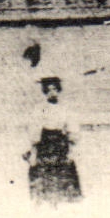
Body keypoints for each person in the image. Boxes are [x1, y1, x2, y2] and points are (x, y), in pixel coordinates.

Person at [25, 76, 82, 205]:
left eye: (55, 89)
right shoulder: (39, 109)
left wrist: (71, 148)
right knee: (43, 177)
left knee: (65, 176)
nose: (52, 93)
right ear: (45, 92)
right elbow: (34, 131)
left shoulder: (65, 108)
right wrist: (33, 151)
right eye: (49, 90)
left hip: (61, 145)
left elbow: (72, 128)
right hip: (44, 146)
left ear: (59, 90)